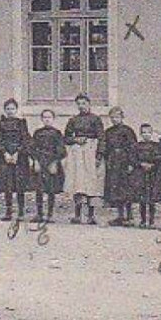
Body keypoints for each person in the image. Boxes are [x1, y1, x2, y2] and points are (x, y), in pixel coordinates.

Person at [63, 95, 105, 224]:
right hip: (78, 153)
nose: (82, 106)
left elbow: (102, 138)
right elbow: (66, 138)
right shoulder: (73, 120)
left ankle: (91, 215)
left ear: (89, 104)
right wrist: (75, 139)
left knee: (91, 181)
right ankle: (77, 215)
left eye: (84, 103)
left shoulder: (96, 119)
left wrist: (99, 155)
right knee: (78, 181)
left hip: (91, 150)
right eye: (79, 104)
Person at [100, 107, 138, 227]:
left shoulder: (128, 131)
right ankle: (120, 216)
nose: (114, 120)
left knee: (126, 188)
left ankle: (129, 216)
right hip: (113, 162)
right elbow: (105, 147)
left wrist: (131, 163)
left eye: (117, 117)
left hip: (124, 162)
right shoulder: (108, 132)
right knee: (115, 189)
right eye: (112, 118)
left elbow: (133, 148)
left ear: (122, 117)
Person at [0, 100, 31, 222]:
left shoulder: (21, 123)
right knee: (8, 185)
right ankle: (8, 211)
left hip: (19, 157)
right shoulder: (1, 123)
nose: (10, 111)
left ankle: (21, 212)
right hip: (5, 157)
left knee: (19, 184)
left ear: (16, 110)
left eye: (12, 109)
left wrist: (17, 153)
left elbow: (25, 139)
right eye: (8, 109)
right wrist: (5, 153)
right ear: (5, 110)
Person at [30, 110, 66, 223]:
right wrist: (35, 161)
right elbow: (32, 148)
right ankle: (39, 214)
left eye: (49, 117)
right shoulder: (37, 133)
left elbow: (62, 150)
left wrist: (55, 162)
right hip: (40, 162)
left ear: (53, 119)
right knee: (39, 189)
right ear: (41, 119)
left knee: (51, 189)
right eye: (44, 117)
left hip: (52, 163)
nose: (47, 119)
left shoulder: (57, 133)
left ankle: (50, 215)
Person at [133, 123, 161, 228]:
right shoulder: (137, 146)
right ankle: (143, 220)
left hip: (152, 174)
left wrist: (152, 165)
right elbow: (133, 159)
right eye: (144, 132)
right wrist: (141, 164)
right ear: (140, 134)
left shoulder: (156, 146)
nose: (146, 135)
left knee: (151, 198)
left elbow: (159, 159)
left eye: (148, 132)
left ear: (151, 133)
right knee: (142, 199)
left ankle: (152, 220)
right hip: (140, 174)